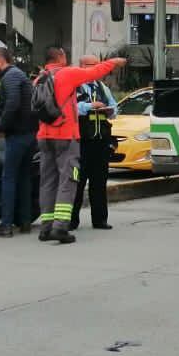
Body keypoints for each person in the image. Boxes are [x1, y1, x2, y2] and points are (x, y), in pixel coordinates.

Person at [35, 45, 128, 245]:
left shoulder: (39, 79)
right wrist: (115, 62)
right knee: (68, 181)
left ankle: (46, 227)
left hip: (44, 136)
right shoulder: (67, 74)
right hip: (66, 137)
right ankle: (60, 227)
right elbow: (96, 72)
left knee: (48, 182)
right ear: (60, 57)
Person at [0, 47, 35, 237]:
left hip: (18, 136)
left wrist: (2, 128)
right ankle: (24, 222)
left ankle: (5, 225)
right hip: (30, 134)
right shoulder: (18, 75)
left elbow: (12, 103)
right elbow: (1, 107)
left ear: (0, 60)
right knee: (23, 178)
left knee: (9, 177)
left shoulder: (11, 76)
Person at [71, 53, 118, 231]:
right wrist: (90, 106)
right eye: (93, 66)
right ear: (82, 66)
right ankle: (71, 220)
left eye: (99, 66)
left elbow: (114, 108)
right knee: (77, 182)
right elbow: (70, 108)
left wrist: (109, 110)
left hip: (100, 141)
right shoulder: (75, 86)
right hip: (81, 142)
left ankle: (100, 220)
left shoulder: (102, 87)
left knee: (99, 182)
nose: (97, 69)